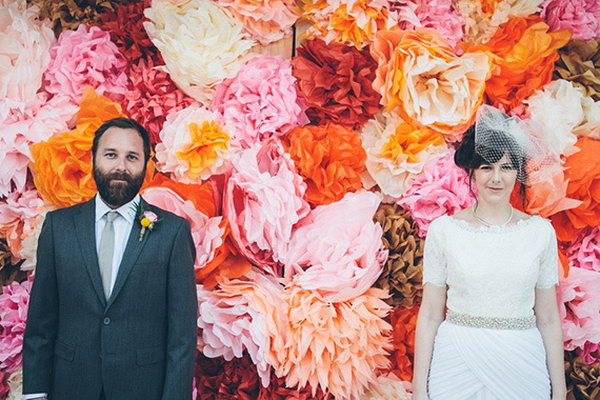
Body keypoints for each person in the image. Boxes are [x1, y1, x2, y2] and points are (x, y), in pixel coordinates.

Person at [22, 118, 198, 400]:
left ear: (146, 165)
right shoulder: (59, 227)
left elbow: (182, 336)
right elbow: (41, 322)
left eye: (132, 157)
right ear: (94, 158)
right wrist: (34, 393)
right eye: (111, 154)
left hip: (142, 389)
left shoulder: (173, 233)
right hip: (70, 387)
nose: (121, 166)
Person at [412, 105, 566, 400]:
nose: (496, 177)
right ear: (472, 171)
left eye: (506, 167)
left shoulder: (540, 232)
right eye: (487, 167)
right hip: (456, 361)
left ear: (518, 173)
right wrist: (419, 388)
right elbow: (431, 313)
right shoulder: (444, 231)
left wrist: (558, 391)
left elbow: (547, 318)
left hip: (522, 362)